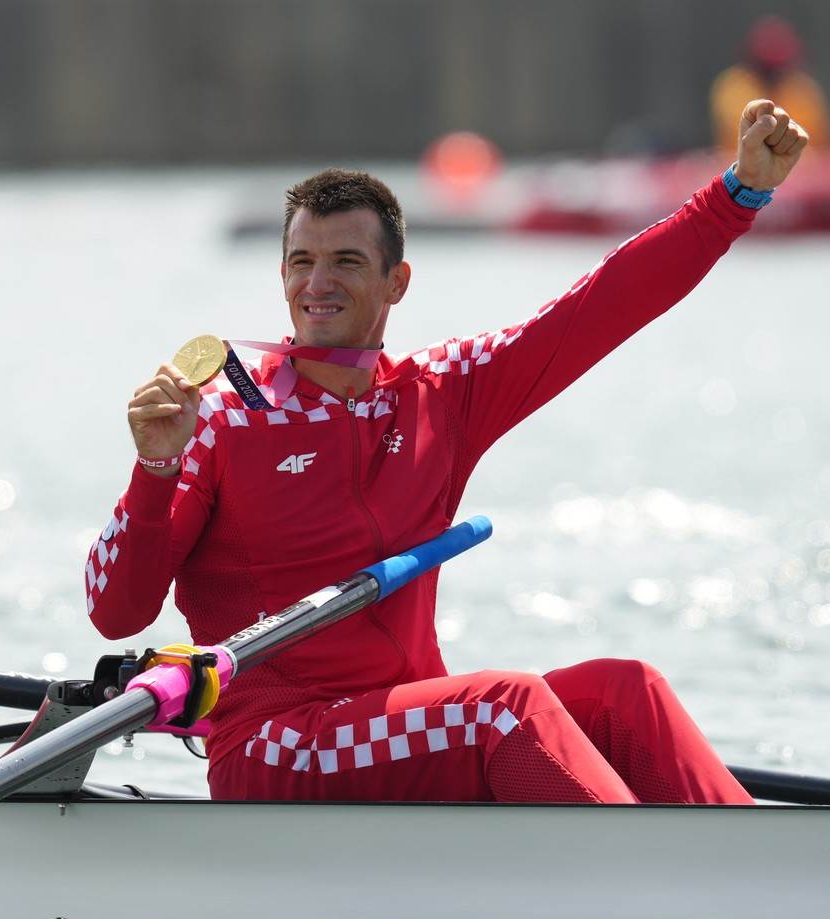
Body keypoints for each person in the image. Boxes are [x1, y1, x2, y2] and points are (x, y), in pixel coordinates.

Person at [85, 101, 810, 805]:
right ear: (281, 277)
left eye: (345, 261)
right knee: (504, 706)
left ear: (397, 282)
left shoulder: (442, 392)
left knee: (629, 693)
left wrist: (735, 196)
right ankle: (644, 882)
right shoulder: (220, 420)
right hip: (274, 742)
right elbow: (117, 611)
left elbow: (600, 306)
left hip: (393, 720)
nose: (318, 283)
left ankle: (751, 877)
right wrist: (154, 470)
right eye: (301, 261)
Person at [712, 17, 827, 158]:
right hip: (741, 166)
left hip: (799, 169)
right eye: (768, 69)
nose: (774, 76)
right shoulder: (736, 87)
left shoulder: (800, 88)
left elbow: (814, 138)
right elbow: (740, 137)